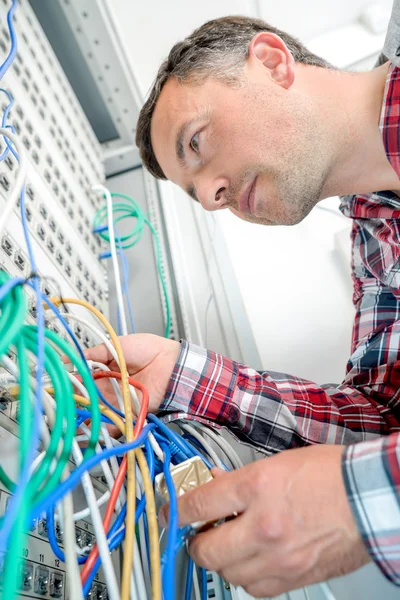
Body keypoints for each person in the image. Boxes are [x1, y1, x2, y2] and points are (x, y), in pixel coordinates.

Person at [87, 2, 400, 596]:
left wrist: (364, 503)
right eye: (195, 194)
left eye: (197, 142)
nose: (209, 196)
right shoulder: (378, 240)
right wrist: (184, 372)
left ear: (271, 62)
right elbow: (381, 420)